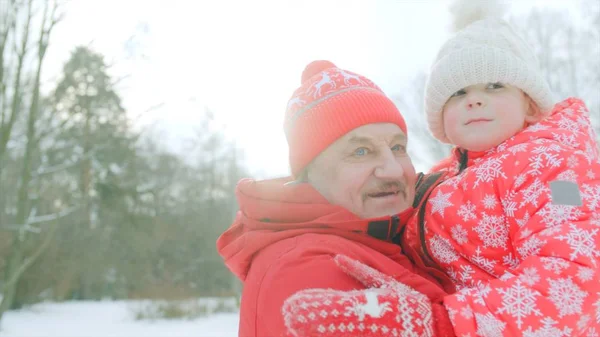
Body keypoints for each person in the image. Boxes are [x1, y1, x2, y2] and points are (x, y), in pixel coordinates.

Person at [284, 10, 600, 337]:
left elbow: (575, 282)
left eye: (494, 86)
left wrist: (440, 323)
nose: (475, 100)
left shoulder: (559, 171)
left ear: (531, 105)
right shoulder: (443, 179)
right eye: (458, 93)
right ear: (441, 119)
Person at [216, 60, 457, 337]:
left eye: (397, 147)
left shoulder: (393, 240)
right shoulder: (305, 269)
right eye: (360, 152)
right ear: (309, 171)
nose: (392, 169)